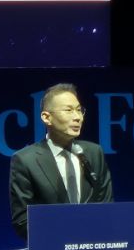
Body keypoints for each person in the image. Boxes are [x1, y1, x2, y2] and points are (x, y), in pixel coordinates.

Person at [9, 83, 114, 240]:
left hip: (92, 248)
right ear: (46, 117)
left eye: (79, 110)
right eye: (68, 110)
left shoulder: (94, 153)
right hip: (51, 248)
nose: (78, 117)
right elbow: (22, 221)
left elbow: (106, 207)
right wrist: (68, 238)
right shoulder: (26, 160)